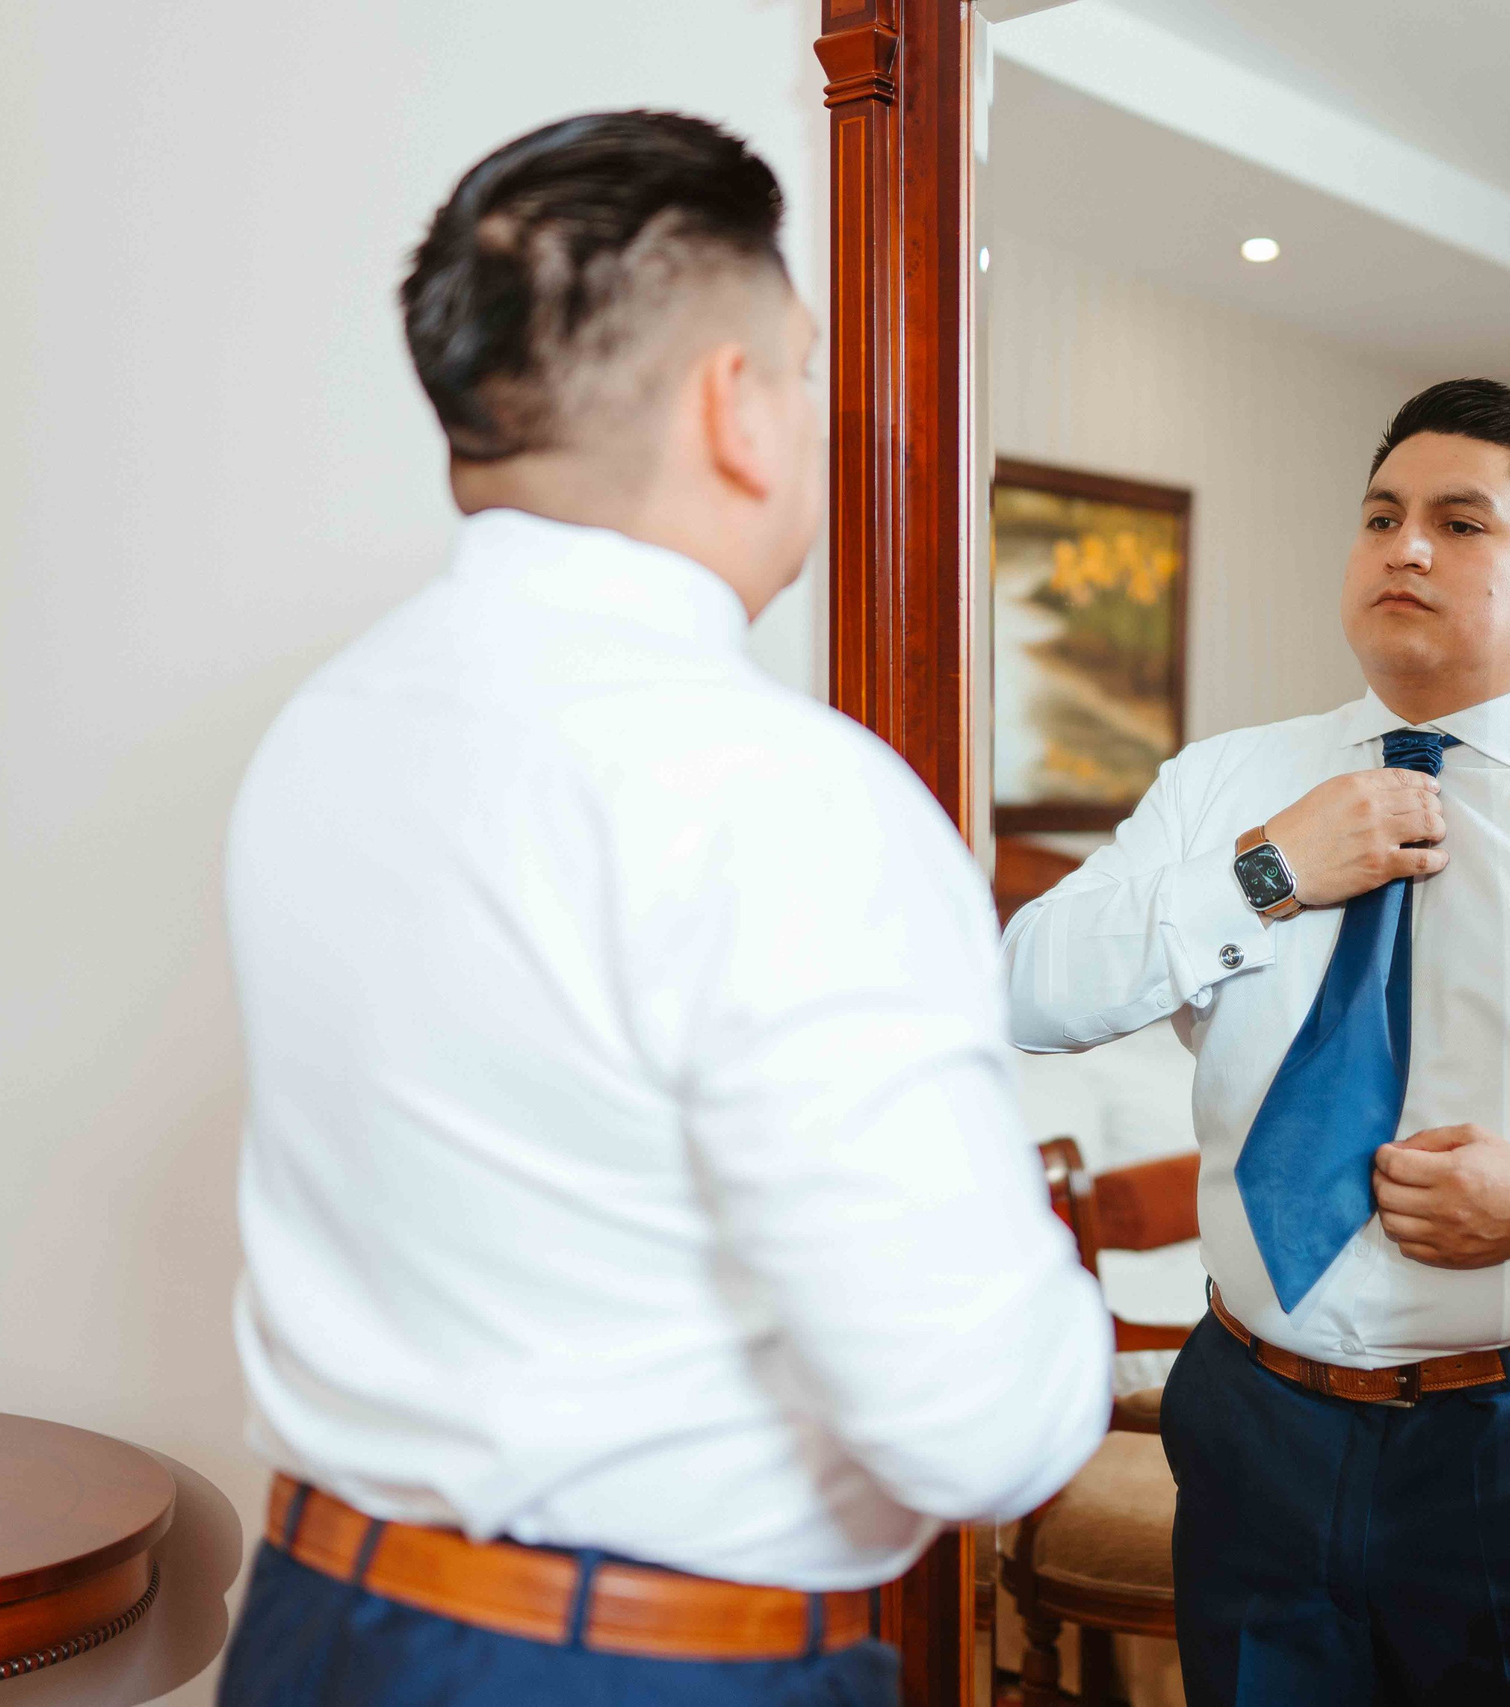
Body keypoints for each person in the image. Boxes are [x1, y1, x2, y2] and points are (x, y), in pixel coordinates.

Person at [217, 111, 1111, 1707]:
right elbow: (979, 1425)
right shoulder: (784, 795)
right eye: (807, 370)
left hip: (310, 1625)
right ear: (735, 409)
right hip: (630, 1672)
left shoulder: (319, 731)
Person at [1003, 379, 1510, 1705]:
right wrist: (1264, 872)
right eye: (1382, 515)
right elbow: (1027, 990)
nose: (1406, 548)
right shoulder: (1226, 785)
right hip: (1255, 1424)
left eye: (1460, 521)